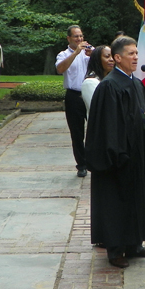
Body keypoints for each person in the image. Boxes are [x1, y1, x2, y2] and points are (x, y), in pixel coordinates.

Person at [85, 36, 145, 269]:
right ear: (117, 57)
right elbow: (109, 126)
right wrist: (143, 119)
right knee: (117, 201)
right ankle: (115, 250)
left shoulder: (135, 83)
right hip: (118, 157)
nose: (136, 57)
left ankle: (135, 244)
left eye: (136, 53)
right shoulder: (109, 86)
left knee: (137, 198)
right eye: (131, 53)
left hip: (137, 153)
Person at [56, 25, 93, 177]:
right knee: (77, 132)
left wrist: (93, 54)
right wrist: (76, 53)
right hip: (73, 96)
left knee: (95, 128)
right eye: (76, 37)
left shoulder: (90, 51)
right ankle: (81, 164)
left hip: (90, 93)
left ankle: (94, 161)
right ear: (69, 38)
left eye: (81, 36)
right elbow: (60, 69)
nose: (79, 39)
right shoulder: (63, 54)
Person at [81, 45, 115, 116]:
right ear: (97, 60)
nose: (111, 59)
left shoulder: (111, 80)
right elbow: (98, 109)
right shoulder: (90, 82)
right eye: (107, 56)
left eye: (112, 56)